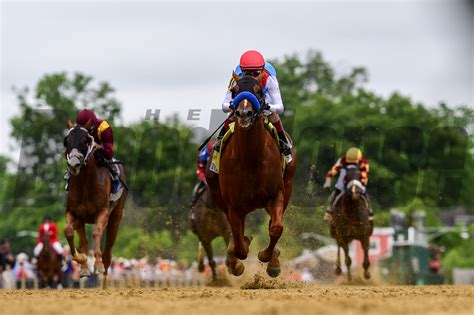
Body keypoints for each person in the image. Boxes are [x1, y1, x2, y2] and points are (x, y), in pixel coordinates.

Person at [213, 50, 292, 163]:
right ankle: (219, 142)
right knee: (231, 116)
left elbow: (280, 108)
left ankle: (284, 146)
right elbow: (224, 106)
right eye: (247, 73)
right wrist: (232, 105)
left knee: (274, 116)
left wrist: (267, 107)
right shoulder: (237, 76)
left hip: (264, 106)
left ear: (262, 70)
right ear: (242, 71)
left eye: (256, 73)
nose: (251, 77)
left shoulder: (269, 77)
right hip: (243, 107)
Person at [64, 109, 121, 195]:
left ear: (93, 125)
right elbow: (67, 152)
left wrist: (98, 147)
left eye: (87, 128)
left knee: (107, 159)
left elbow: (109, 154)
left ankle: (115, 175)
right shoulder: (76, 129)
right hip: (84, 151)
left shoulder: (104, 127)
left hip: (101, 149)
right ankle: (69, 176)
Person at [323, 147, 372, 221]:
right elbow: (333, 171)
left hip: (358, 181)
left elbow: (364, 176)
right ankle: (329, 210)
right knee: (336, 191)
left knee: (364, 192)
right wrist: (328, 181)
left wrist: (356, 186)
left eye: (354, 162)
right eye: (349, 162)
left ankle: (369, 211)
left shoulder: (364, 163)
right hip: (344, 181)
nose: (351, 163)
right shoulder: (342, 160)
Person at [190, 139, 215, 207]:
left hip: (215, 176)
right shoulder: (203, 156)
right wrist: (205, 180)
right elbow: (200, 170)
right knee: (197, 188)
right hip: (205, 176)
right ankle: (193, 202)